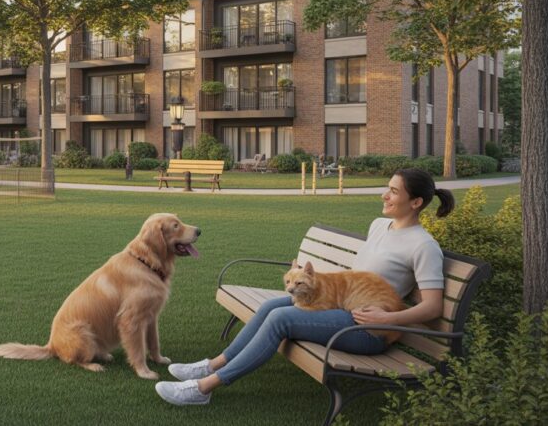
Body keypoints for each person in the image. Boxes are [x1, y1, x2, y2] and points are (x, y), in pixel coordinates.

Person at [155, 168, 454, 406]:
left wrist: (387, 318)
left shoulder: (424, 246)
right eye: (387, 187)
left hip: (369, 330)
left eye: (393, 191)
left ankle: (204, 388)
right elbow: (356, 278)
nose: (383, 195)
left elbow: (432, 307)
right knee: (272, 305)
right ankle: (212, 365)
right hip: (344, 307)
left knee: (281, 318)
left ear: (415, 203)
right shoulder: (379, 225)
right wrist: (309, 276)